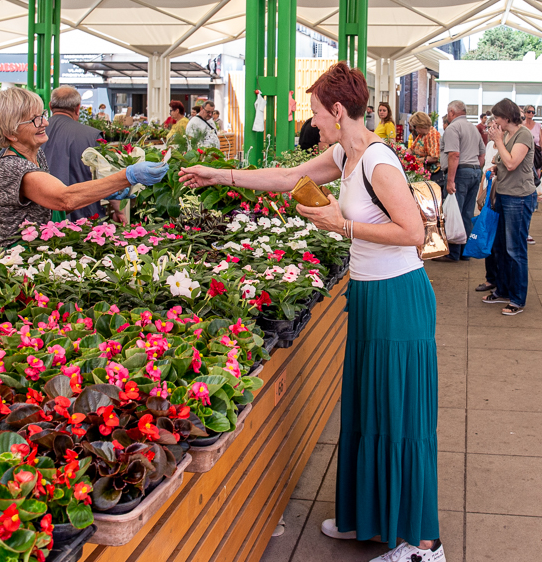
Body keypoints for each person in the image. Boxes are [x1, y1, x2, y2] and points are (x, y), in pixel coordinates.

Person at [178, 62, 446, 562]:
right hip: (369, 295)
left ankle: (424, 546)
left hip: (397, 299)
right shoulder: (346, 153)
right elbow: (288, 177)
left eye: (317, 112)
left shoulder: (377, 161)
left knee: (400, 416)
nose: (313, 122)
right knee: (369, 409)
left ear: (338, 110)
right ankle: (371, 518)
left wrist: (341, 226)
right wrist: (219, 173)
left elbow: (412, 233)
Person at [0, 87, 166, 246]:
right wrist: (127, 176)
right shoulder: (10, 167)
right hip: (20, 259)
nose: (45, 123)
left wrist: (105, 192)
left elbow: (52, 206)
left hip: (40, 251)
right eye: (35, 120)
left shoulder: (37, 155)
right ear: (10, 133)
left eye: (42, 116)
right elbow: (63, 199)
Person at [480, 98, 535, 316]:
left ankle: (517, 298)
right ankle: (502, 290)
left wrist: (498, 141)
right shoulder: (507, 135)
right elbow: (503, 161)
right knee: (500, 247)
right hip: (503, 194)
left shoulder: (523, 135)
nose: (495, 122)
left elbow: (512, 163)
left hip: (518, 197)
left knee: (515, 250)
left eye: (497, 118)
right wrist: (495, 167)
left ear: (506, 117)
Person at [46, 86, 115, 223]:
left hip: (42, 218)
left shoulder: (34, 134)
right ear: (78, 108)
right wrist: (118, 210)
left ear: (50, 106)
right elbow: (107, 177)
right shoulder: (92, 136)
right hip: (84, 217)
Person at [440, 100, 484, 262]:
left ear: (452, 112)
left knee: (454, 212)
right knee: (467, 213)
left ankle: (452, 253)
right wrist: (476, 170)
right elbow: (482, 154)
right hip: (474, 171)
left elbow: (454, 154)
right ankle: (464, 252)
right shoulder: (473, 128)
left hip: (460, 172)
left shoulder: (453, 128)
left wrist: (450, 180)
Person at [407, 111, 441, 181]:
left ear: (420, 124)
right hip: (422, 172)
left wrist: (416, 160)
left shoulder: (432, 134)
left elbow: (434, 157)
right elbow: (411, 149)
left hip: (432, 173)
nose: (414, 129)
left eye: (415, 126)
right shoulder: (421, 135)